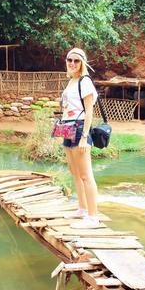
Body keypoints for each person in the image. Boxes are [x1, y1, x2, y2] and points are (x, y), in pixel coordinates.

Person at [60, 48, 100, 229]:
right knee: (74, 172)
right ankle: (82, 209)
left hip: (79, 128)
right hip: (67, 126)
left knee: (86, 175)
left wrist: (84, 136)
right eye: (70, 60)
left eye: (76, 61)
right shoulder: (71, 81)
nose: (72, 63)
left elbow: (89, 111)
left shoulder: (85, 81)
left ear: (82, 62)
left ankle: (93, 216)